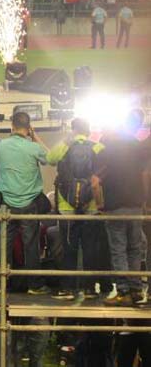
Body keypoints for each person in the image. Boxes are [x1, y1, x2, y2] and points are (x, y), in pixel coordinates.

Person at [94, 110, 149, 306]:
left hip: (115, 206)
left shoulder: (108, 150)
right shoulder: (139, 148)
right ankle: (135, 290)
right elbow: (145, 175)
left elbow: (95, 181)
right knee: (135, 248)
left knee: (118, 249)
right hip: (136, 205)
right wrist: (144, 199)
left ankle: (123, 292)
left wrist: (100, 204)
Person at [46, 118, 105, 300]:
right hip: (91, 205)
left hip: (66, 205)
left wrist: (66, 140)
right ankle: (89, 289)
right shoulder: (98, 147)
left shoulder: (65, 146)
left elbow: (49, 159)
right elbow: (104, 171)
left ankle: (68, 288)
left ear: (73, 130)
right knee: (90, 248)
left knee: (68, 248)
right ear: (88, 131)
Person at [0, 110, 50, 295]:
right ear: (29, 128)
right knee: (31, 244)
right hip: (29, 203)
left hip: (7, 203)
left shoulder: (1, 146)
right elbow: (50, 159)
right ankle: (34, 284)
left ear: (12, 126)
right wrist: (35, 138)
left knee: (4, 243)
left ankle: (0, 284)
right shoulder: (33, 147)